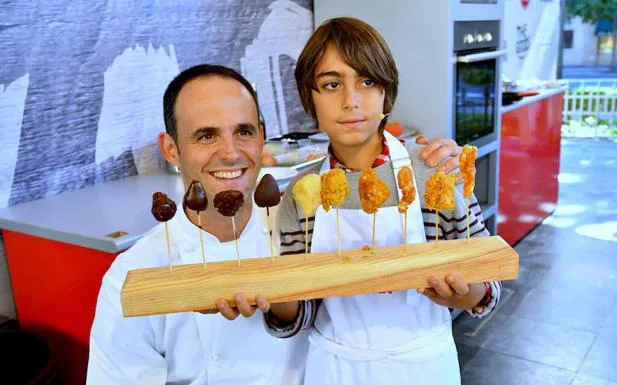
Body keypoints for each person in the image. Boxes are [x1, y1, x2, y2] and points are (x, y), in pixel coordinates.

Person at [86, 64, 463, 383]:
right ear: (171, 150)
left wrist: (428, 161)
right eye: (206, 135)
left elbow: (387, 209)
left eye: (244, 131)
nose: (231, 153)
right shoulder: (134, 274)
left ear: (263, 138)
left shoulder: (309, 225)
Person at [263, 17, 502, 385]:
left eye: (367, 81)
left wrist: (465, 294)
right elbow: (301, 311)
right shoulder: (302, 194)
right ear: (308, 97)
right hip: (335, 367)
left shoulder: (433, 172)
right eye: (330, 84)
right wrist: (271, 298)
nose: (350, 101)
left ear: (386, 92)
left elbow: (491, 282)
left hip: (422, 365)